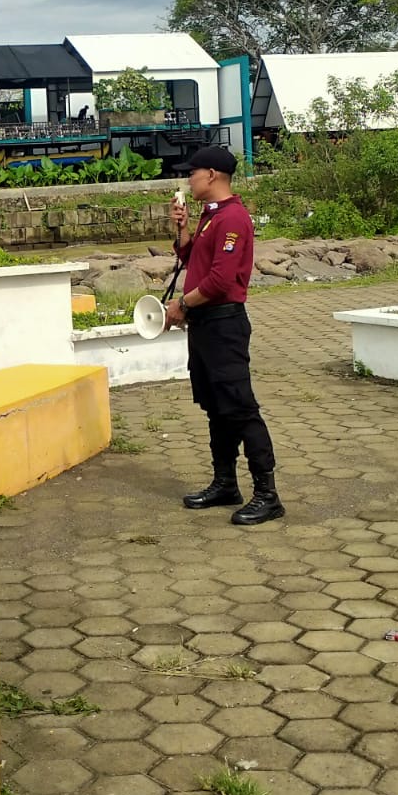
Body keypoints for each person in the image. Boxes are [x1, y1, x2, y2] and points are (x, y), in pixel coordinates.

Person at [165, 146, 284, 527]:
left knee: (240, 407)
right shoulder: (210, 216)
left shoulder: (233, 218)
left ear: (212, 175)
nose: (189, 179)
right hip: (204, 325)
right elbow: (193, 261)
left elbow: (219, 281)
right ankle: (225, 483)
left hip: (223, 325)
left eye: (193, 172)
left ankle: (267, 494)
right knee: (216, 406)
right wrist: (183, 229)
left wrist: (182, 304)